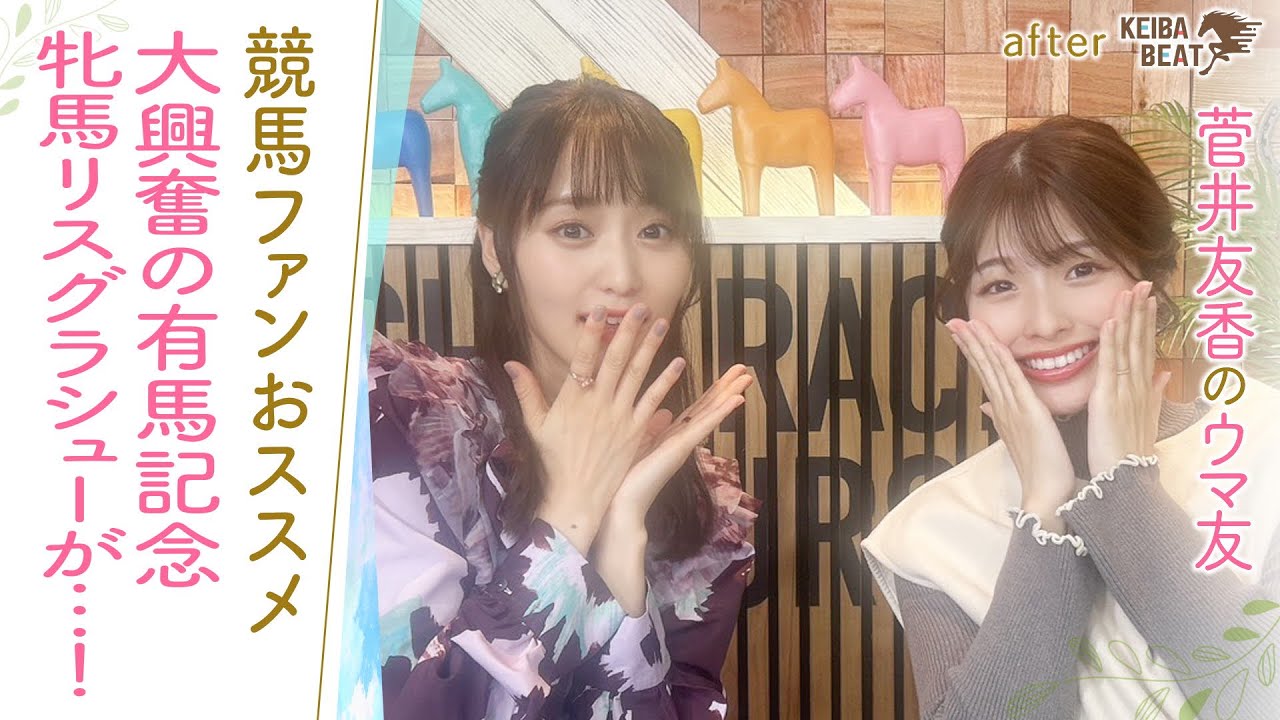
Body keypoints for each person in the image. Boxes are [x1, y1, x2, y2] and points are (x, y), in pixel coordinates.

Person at [861, 116, 1280, 718]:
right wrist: (1045, 507)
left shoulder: (1264, 450)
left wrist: (1122, 486)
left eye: (1081, 269)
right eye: (1000, 285)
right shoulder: (932, 531)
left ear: (1155, 275)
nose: (1044, 322)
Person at [368, 76, 758, 720]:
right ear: (496, 247)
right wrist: (570, 521)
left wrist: (622, 542)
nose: (624, 276)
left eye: (657, 230)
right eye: (573, 228)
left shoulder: (707, 507)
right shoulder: (405, 418)